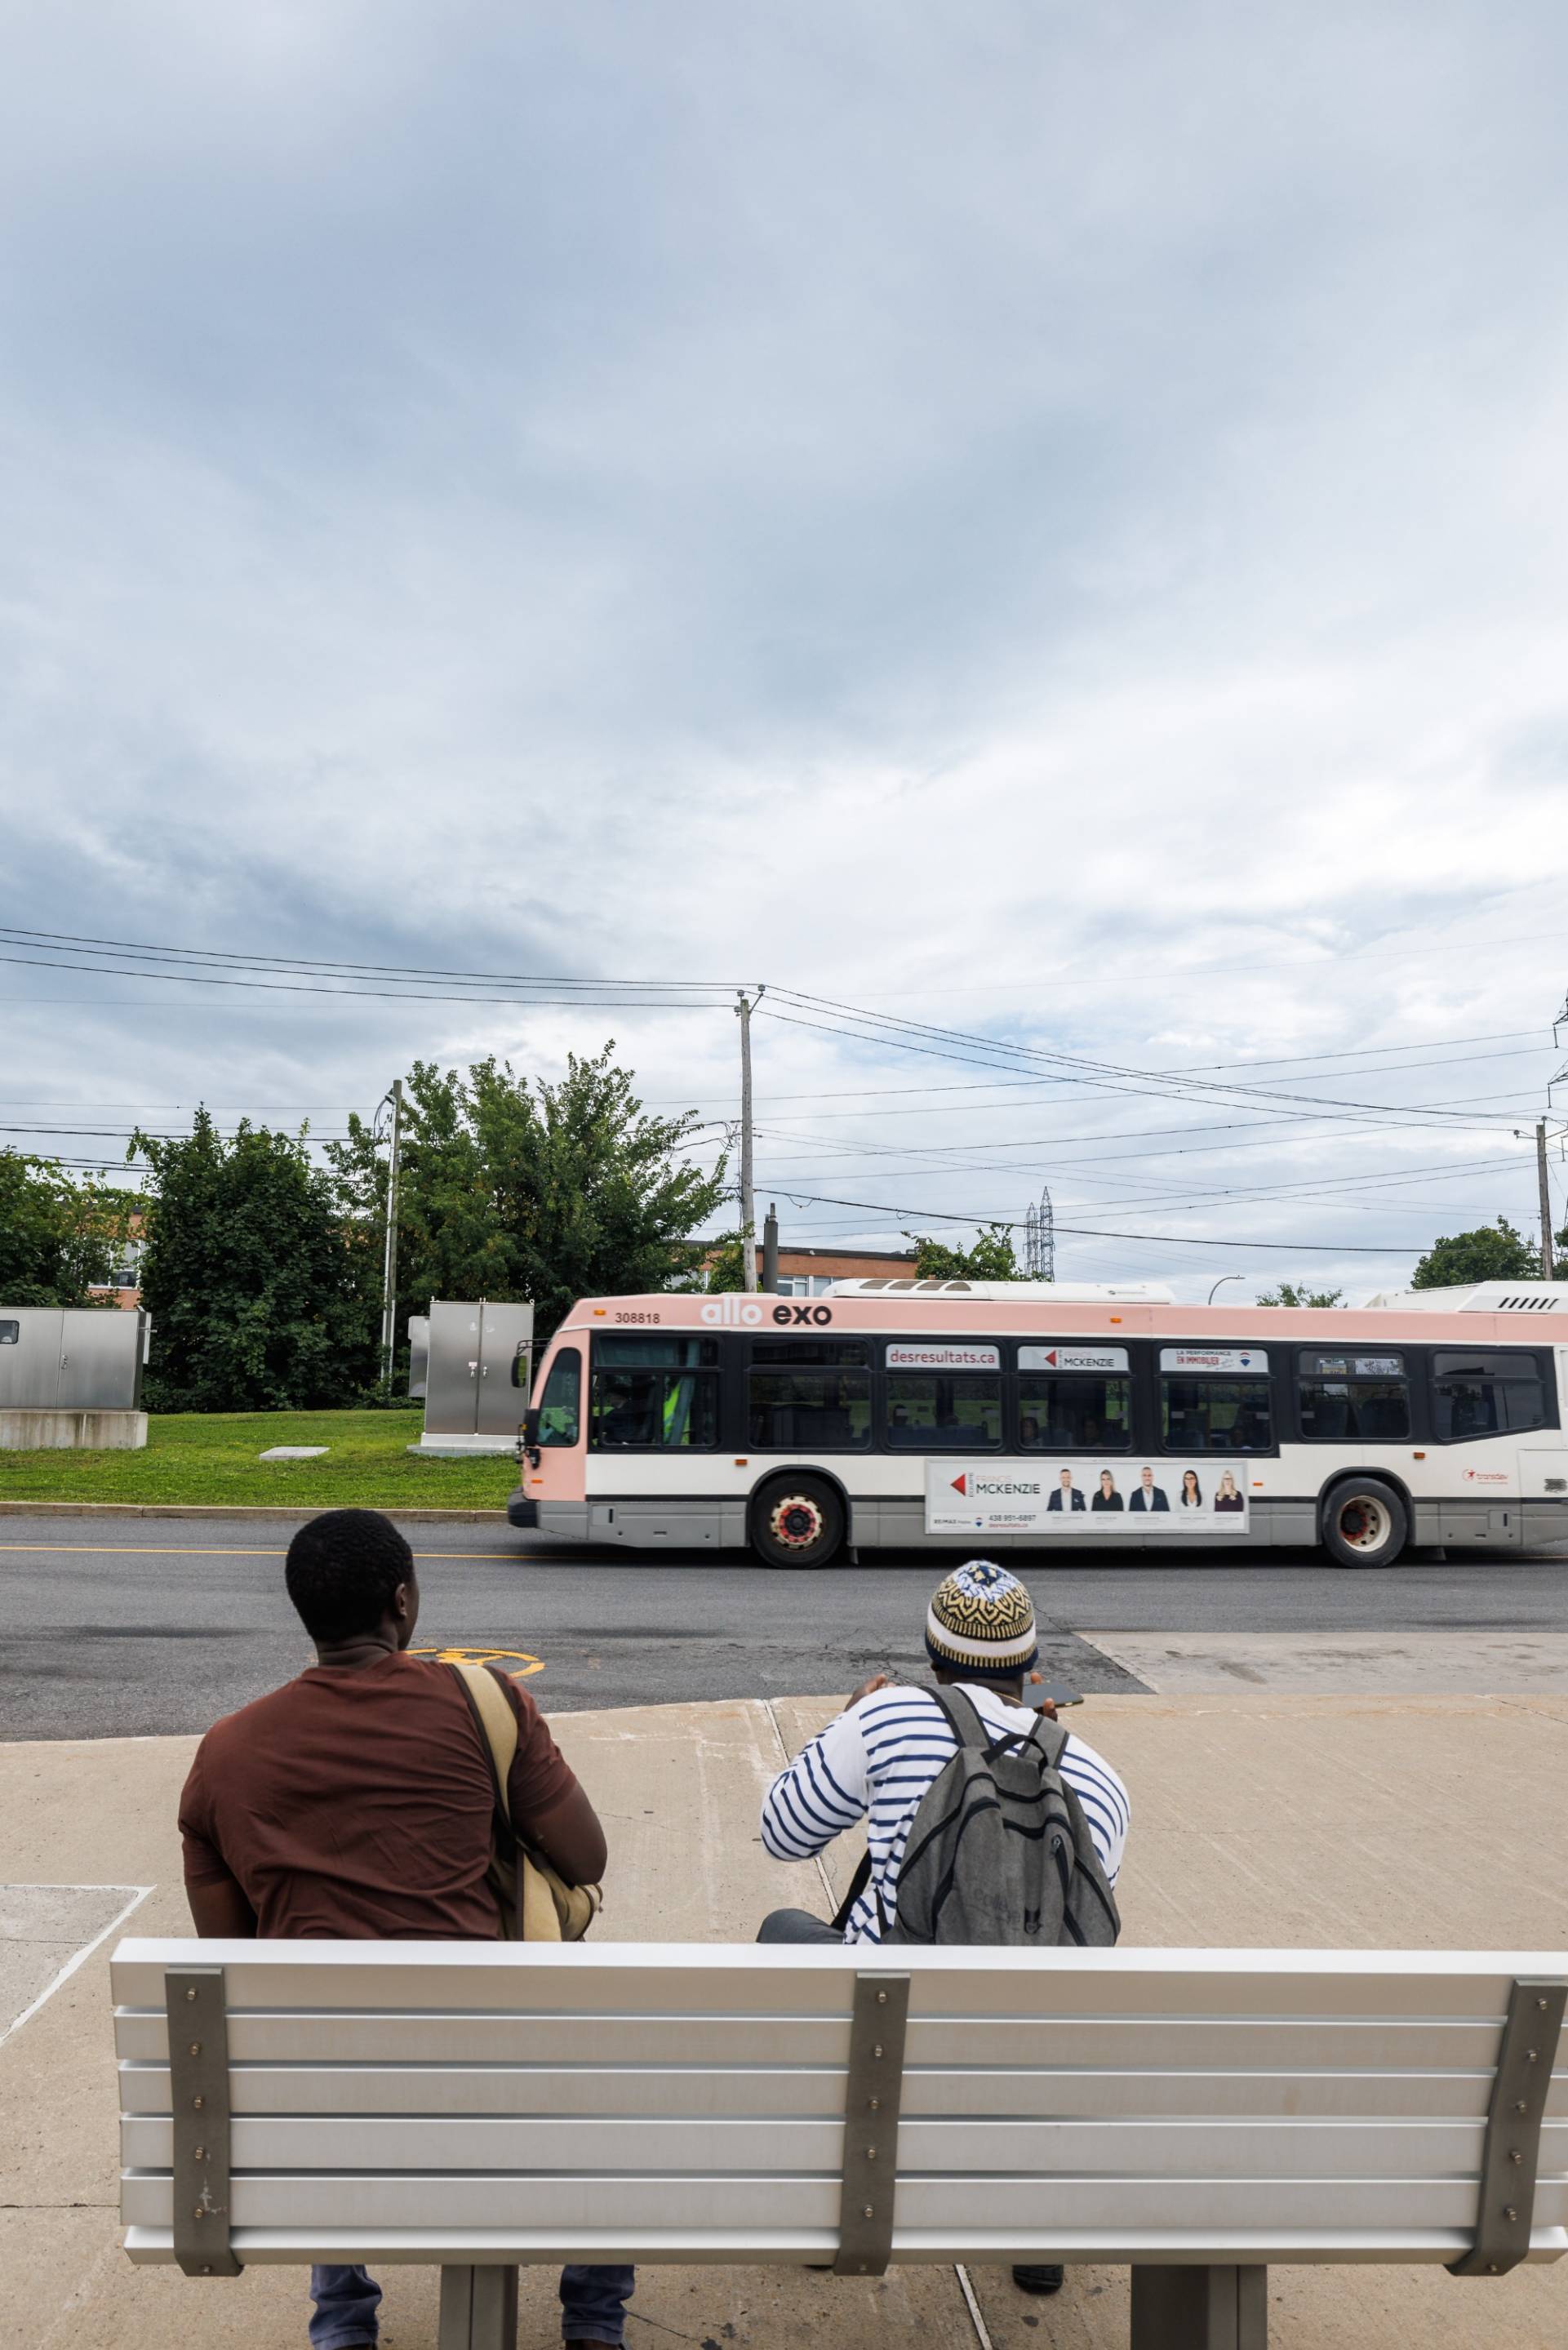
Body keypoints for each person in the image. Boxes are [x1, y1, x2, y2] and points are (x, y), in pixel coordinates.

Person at [177, 1509, 630, 2350]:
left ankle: (343, 2323)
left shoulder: (223, 1755)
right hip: (493, 2093)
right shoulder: (485, 1702)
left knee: (317, 2043)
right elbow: (586, 1857)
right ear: (402, 1601)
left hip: (328, 2116)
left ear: (305, 1612)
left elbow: (230, 1955)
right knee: (624, 2082)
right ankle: (594, 2322)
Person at [757, 1561, 1129, 2304]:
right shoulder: (1098, 1778)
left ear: (932, 1657)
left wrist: (845, 1719)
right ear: (1032, 1666)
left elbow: (783, 1832)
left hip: (887, 2040)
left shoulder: (887, 1716)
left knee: (783, 1929)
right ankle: (1036, 2237)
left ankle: (831, 2206)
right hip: (1022, 2063)